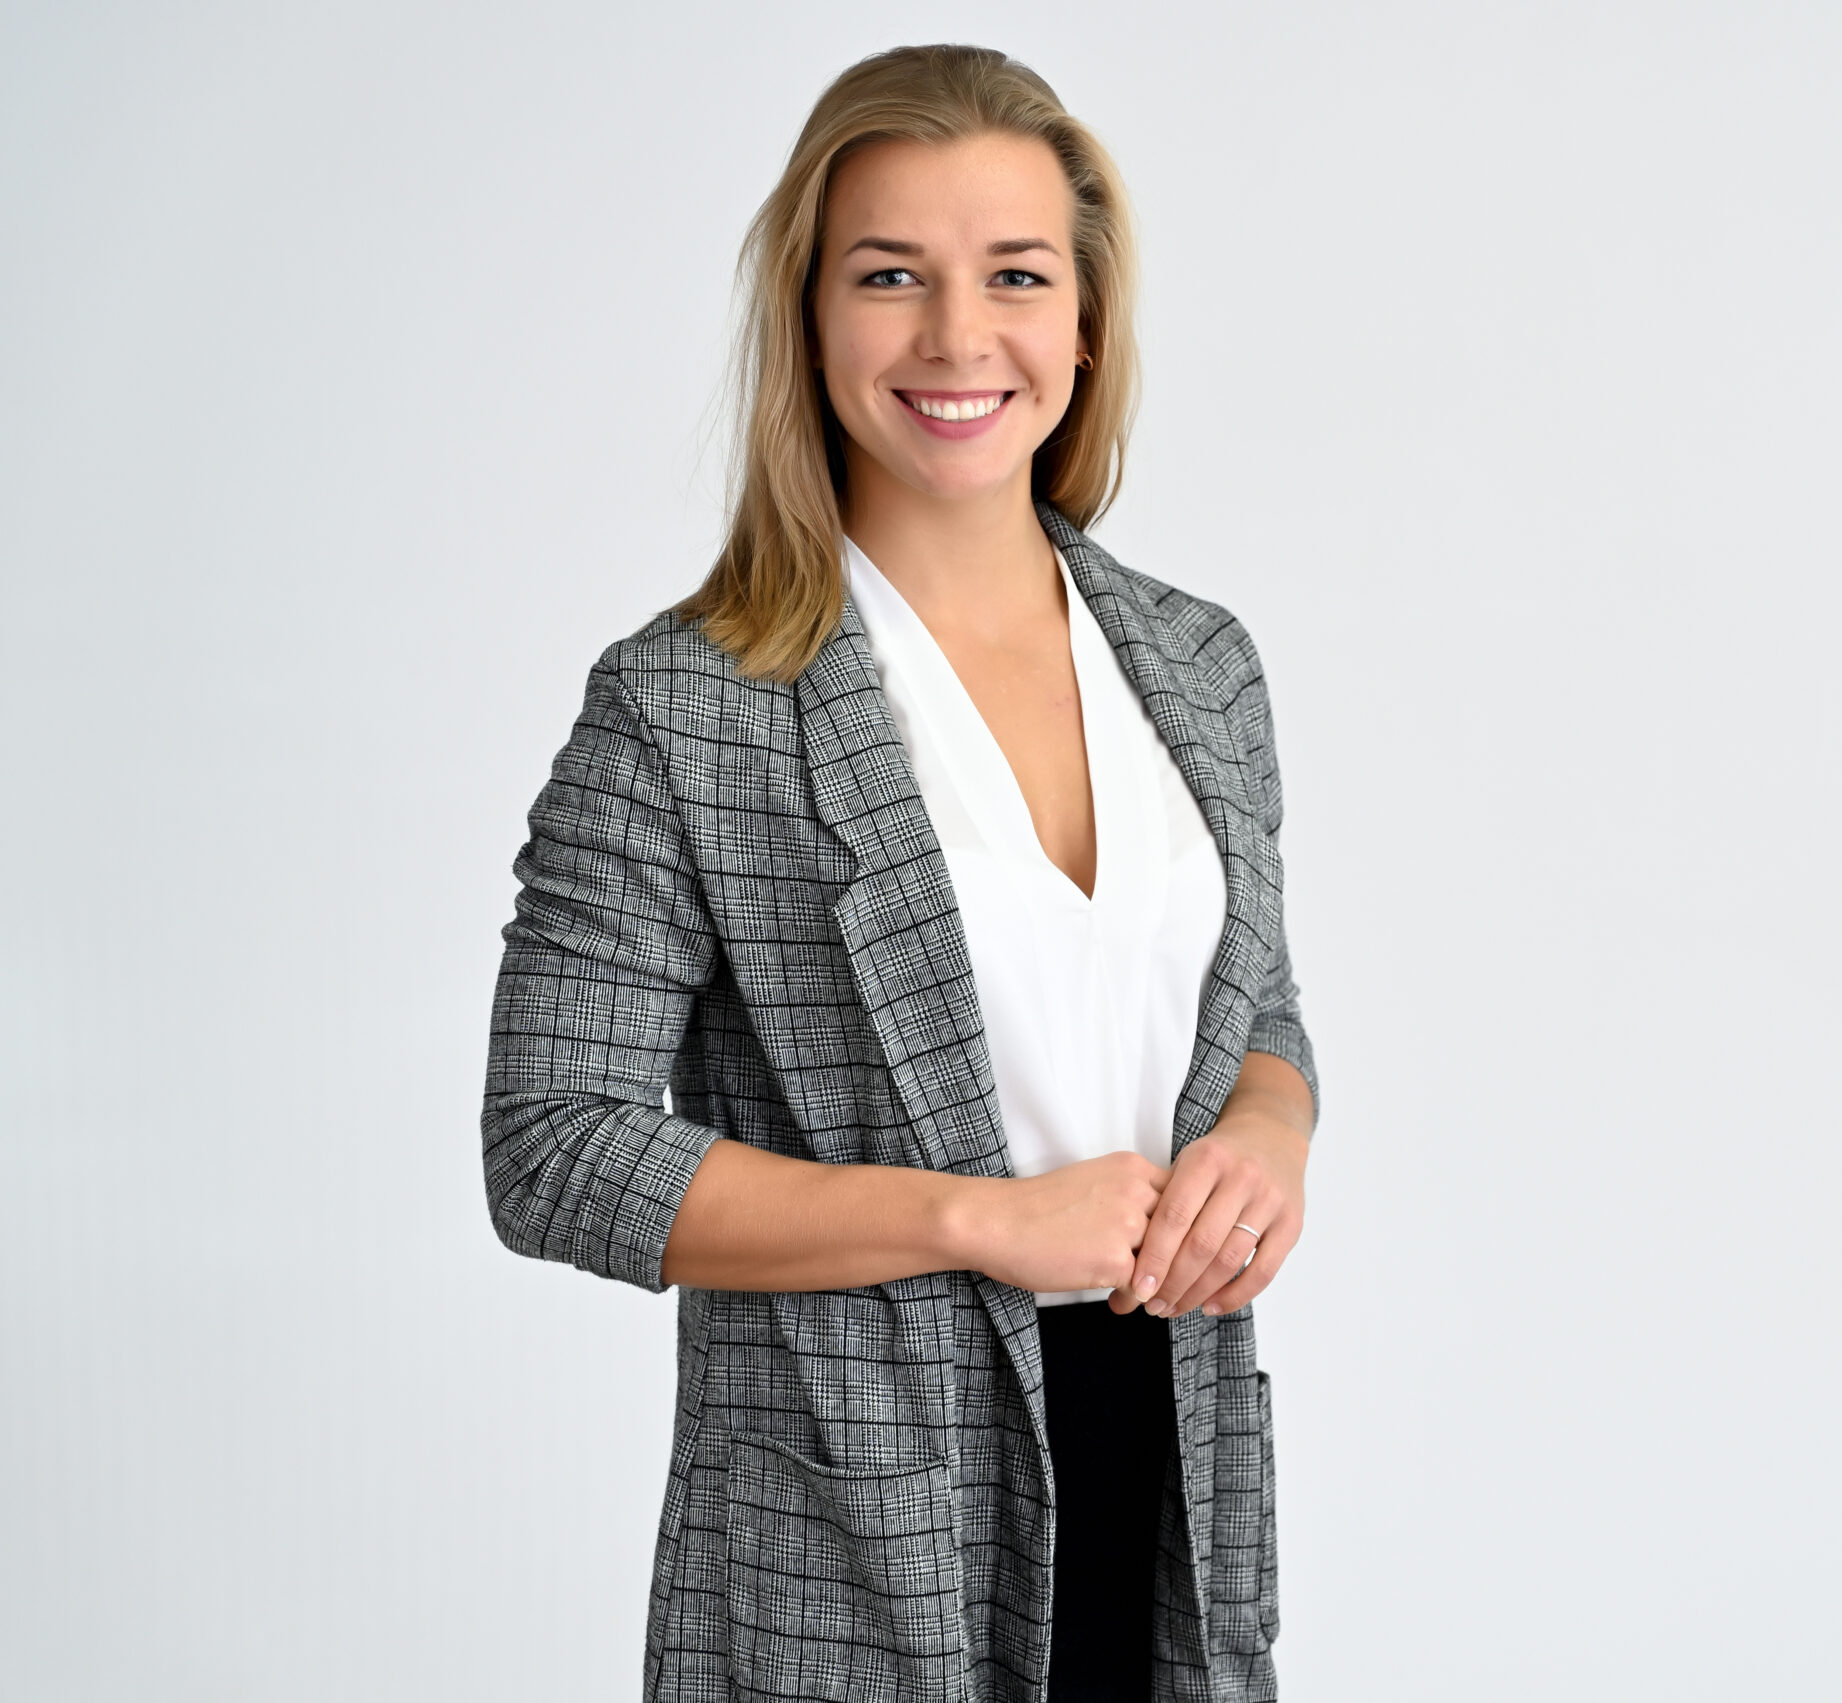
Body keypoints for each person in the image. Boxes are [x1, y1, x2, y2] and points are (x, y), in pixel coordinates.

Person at [481, 44, 1318, 1703]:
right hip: (862, 1541)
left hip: (1176, 1487)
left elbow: (1258, 1010)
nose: (956, 337)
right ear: (809, 318)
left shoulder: (1200, 667)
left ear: (1084, 320)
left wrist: (1273, 1133)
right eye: (890, 278)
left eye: (1013, 275)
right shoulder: (690, 706)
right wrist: (978, 1223)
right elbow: (551, 1151)